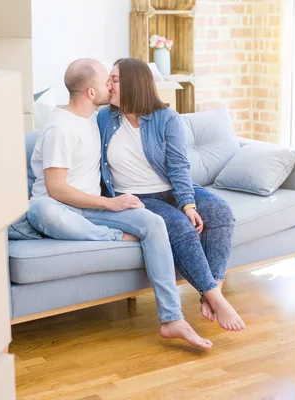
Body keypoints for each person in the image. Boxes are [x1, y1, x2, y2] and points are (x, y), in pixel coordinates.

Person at [26, 58, 212, 349]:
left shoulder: (96, 119)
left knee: (154, 222)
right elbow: (55, 189)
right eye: (106, 81)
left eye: (114, 81)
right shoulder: (61, 129)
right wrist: (109, 204)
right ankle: (114, 237)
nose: (111, 86)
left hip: (91, 209)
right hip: (59, 207)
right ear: (90, 92)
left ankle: (171, 318)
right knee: (38, 209)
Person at [97, 58, 246, 332]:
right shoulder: (104, 118)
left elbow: (179, 167)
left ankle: (211, 292)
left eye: (114, 79)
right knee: (178, 227)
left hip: (171, 189)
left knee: (221, 213)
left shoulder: (167, 118)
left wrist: (187, 203)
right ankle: (217, 299)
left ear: (133, 83)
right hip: (138, 199)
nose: (108, 85)